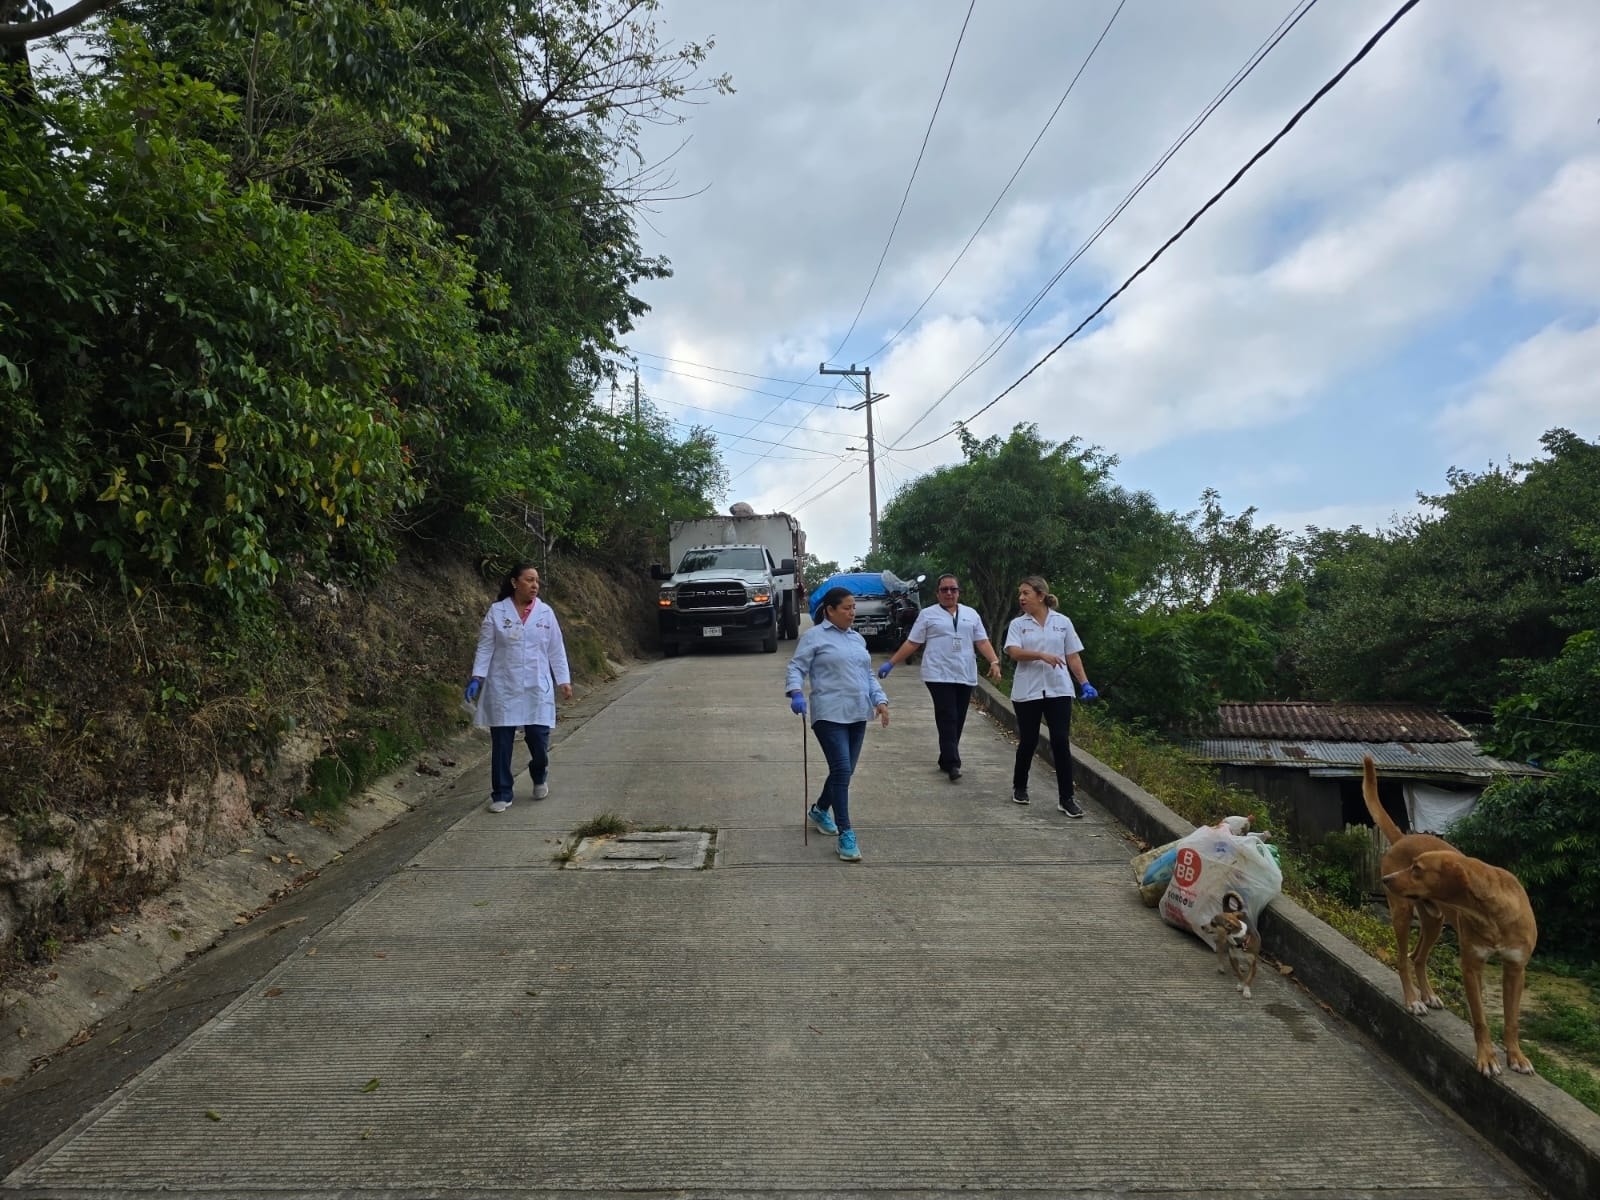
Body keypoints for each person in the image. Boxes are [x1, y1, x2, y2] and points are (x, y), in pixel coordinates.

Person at [785, 586, 890, 862]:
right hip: (829, 713)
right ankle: (846, 833)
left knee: (844, 772)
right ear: (830, 610)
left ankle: (820, 809)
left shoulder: (857, 639)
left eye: (854, 607)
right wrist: (796, 692)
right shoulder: (814, 637)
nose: (852, 612)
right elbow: (797, 667)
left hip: (857, 712)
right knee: (842, 769)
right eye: (847, 608)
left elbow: (867, 675)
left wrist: (880, 700)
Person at [465, 562, 573, 813]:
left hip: (536, 686)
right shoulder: (497, 612)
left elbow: (556, 649)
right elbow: (485, 646)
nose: (535, 585)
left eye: (537, 581)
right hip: (504, 686)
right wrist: (477, 677)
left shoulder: (545, 613)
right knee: (502, 742)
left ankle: (539, 772)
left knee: (538, 739)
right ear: (515, 582)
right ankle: (502, 793)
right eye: (529, 580)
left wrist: (563, 681)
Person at [876, 573, 1002, 782]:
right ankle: (953, 763)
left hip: (964, 673)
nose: (949, 593)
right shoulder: (927, 615)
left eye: (953, 589)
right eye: (944, 589)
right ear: (937, 593)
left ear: (959, 592)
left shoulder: (971, 614)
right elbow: (913, 642)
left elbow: (982, 641)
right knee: (948, 715)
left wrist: (994, 661)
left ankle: (946, 758)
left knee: (958, 718)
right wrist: (892, 663)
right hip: (938, 673)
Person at [1003, 575, 1098, 817]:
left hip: (1059, 689)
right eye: (1020, 593)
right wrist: (1040, 655)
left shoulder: (1063, 622)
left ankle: (1066, 798)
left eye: (1026, 593)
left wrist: (1085, 683)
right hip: (1028, 691)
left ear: (1041, 595)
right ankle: (1020, 786)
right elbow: (1013, 652)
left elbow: (1073, 656)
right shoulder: (1018, 624)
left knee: (1060, 741)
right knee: (1029, 740)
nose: (1021, 598)